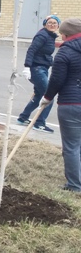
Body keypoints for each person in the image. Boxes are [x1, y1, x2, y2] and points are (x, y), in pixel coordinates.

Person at [42, 18, 81, 192]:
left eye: (62, 34)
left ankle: (75, 185)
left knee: (71, 146)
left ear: (66, 34)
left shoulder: (65, 52)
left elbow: (57, 80)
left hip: (71, 104)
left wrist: (47, 97)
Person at [16, 15, 61, 133]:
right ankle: (39, 123)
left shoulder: (49, 35)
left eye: (54, 23)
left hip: (42, 68)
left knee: (39, 95)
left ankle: (23, 118)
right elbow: (31, 50)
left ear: (58, 26)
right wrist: (27, 67)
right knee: (48, 96)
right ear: (45, 24)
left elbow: (44, 54)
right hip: (36, 69)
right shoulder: (42, 35)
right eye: (49, 23)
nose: (52, 25)